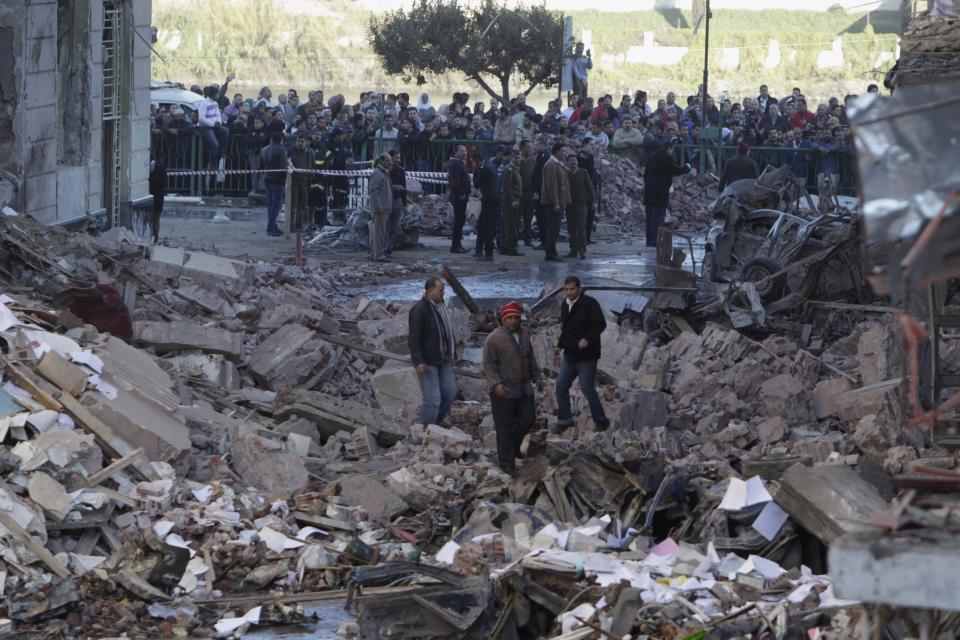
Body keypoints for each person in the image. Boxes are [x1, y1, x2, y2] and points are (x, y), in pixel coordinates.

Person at [483, 301, 540, 474]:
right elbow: (488, 366)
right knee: (504, 426)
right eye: (510, 318)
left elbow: (530, 358)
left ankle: (515, 446)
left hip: (524, 388)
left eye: (516, 318)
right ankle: (507, 464)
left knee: (528, 418)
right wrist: (496, 384)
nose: (514, 321)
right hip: (504, 390)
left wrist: (537, 376)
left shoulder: (524, 335)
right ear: (503, 319)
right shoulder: (493, 339)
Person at [552, 276, 610, 433]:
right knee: (560, 385)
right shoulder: (565, 305)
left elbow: (600, 324)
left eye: (572, 289)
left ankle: (602, 421)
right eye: (566, 289)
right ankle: (565, 419)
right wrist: (559, 345)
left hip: (587, 356)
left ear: (579, 288)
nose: (569, 292)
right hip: (570, 355)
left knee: (586, 388)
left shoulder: (590, 304)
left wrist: (587, 339)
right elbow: (566, 329)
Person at [408, 277, 458, 427]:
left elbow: (445, 331)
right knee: (433, 398)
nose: (443, 293)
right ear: (430, 291)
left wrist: (452, 353)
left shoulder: (440, 306)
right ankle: (426, 428)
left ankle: (436, 422)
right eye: (440, 290)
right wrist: (418, 361)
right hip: (427, 360)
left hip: (442, 358)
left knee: (450, 391)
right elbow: (414, 338)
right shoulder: (419, 310)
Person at [643, 138, 691, 248]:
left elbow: (645, 175)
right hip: (660, 192)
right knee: (658, 217)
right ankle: (656, 241)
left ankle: (649, 241)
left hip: (649, 191)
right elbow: (675, 170)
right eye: (672, 150)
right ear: (670, 148)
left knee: (650, 217)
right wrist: (687, 168)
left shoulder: (651, 157)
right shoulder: (667, 158)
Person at [541, 142, 571, 262]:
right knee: (553, 228)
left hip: (557, 201)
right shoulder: (552, 165)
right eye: (563, 151)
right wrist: (556, 203)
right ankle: (550, 253)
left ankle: (552, 250)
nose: (565, 154)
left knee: (555, 228)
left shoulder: (556, 164)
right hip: (553, 203)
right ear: (557, 151)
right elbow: (551, 185)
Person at [565, 155, 594, 259]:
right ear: (567, 163)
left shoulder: (583, 172)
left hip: (581, 204)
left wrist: (593, 201)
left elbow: (590, 188)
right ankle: (573, 250)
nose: (573, 162)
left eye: (575, 160)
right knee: (571, 229)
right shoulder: (566, 173)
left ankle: (582, 251)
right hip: (569, 205)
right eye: (571, 160)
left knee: (581, 228)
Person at [259, 131, 288, 237]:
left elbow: (260, 165)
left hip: (267, 177)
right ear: (281, 139)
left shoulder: (264, 149)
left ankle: (272, 226)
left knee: (271, 203)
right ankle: (271, 227)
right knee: (277, 205)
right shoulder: (282, 149)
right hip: (278, 180)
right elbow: (282, 166)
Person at [368, 153, 393, 262]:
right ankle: (378, 255)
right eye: (388, 161)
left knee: (377, 232)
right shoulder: (378, 174)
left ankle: (374, 253)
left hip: (384, 207)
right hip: (380, 209)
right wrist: (378, 206)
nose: (390, 163)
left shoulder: (384, 174)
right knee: (379, 233)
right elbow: (373, 190)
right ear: (382, 161)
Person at [287, 134, 315, 232]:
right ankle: (291, 225)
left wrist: (310, 180)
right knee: (293, 205)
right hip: (293, 182)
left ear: (306, 143)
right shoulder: (291, 151)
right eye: (298, 141)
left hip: (304, 181)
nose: (300, 143)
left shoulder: (309, 153)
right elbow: (287, 164)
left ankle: (299, 224)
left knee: (302, 205)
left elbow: (310, 166)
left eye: (302, 141)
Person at [197, 85, 228, 172]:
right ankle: (212, 163)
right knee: (215, 144)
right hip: (205, 127)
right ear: (212, 95)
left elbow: (218, 115)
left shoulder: (215, 103)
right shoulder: (204, 103)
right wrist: (212, 124)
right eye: (217, 95)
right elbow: (201, 118)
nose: (218, 96)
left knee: (226, 131)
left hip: (214, 125)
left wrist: (218, 122)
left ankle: (222, 152)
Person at [447, 145, 471, 254]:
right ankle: (455, 246)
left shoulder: (460, 163)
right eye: (462, 151)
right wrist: (461, 193)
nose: (464, 153)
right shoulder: (455, 164)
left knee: (460, 221)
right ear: (456, 152)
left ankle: (458, 245)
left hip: (462, 196)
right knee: (458, 221)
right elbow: (455, 181)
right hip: (458, 197)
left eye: (465, 151)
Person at [500, 150, 524, 256]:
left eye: (519, 157)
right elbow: (506, 187)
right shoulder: (509, 169)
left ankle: (506, 247)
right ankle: (511, 248)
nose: (518, 159)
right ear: (511, 158)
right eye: (515, 157)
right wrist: (512, 200)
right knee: (510, 225)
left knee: (511, 224)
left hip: (516, 199)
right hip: (510, 201)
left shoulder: (516, 169)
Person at [386, 149, 406, 259]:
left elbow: (404, 187)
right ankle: (383, 249)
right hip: (387, 200)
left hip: (397, 199)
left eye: (399, 158)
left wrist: (404, 203)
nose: (398, 160)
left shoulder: (401, 171)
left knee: (394, 226)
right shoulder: (386, 171)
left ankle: (389, 249)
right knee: (386, 226)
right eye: (396, 158)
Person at [518, 140, 536, 247]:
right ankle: (514, 238)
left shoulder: (532, 161)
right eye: (528, 147)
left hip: (530, 193)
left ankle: (527, 239)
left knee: (528, 217)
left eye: (530, 147)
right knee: (516, 217)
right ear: (522, 148)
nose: (530, 149)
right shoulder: (518, 160)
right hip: (520, 193)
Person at [148, 160, 166, 244]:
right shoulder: (157, 170)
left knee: (155, 219)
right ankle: (153, 237)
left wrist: (152, 173)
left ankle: (154, 237)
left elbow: (160, 183)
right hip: (154, 199)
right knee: (153, 220)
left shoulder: (159, 171)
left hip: (157, 199)